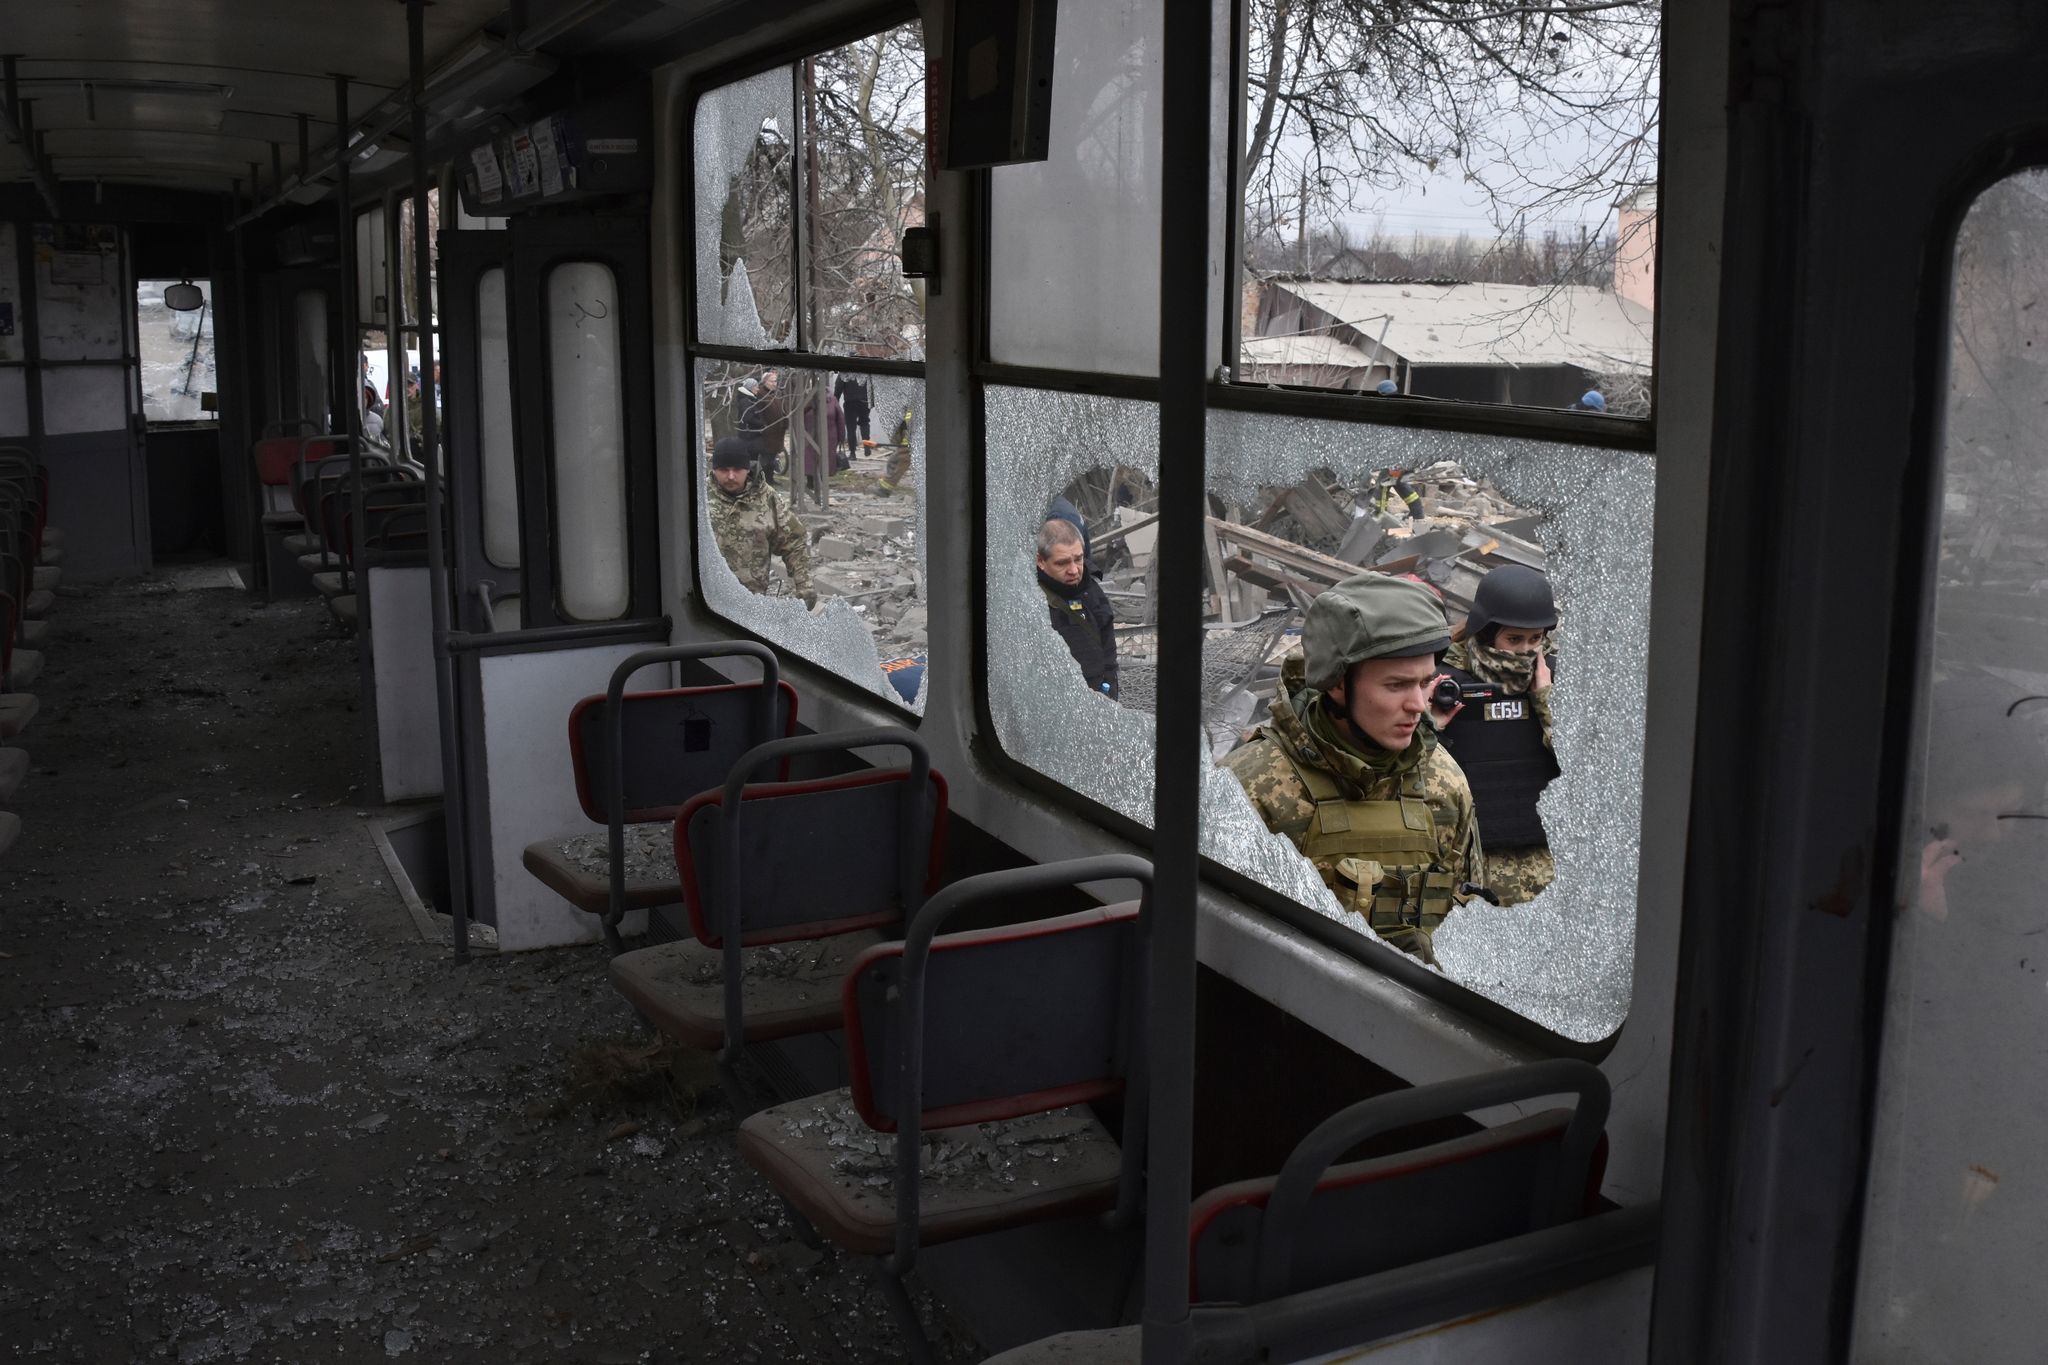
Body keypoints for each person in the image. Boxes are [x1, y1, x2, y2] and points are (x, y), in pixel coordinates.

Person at [1221, 572, 1484, 963]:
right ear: (1338, 684)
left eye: (1424, 682)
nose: (1418, 705)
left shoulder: (1443, 782)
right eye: (1396, 685)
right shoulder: (1250, 785)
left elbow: (1469, 925)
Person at [1430, 564, 1562, 905]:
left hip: (1546, 867)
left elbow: (1585, 771)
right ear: (1486, 633)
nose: (1527, 650)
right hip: (1466, 873)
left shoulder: (1557, 682)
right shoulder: (1441, 678)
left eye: (1536, 639)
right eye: (1514, 639)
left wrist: (1545, 701)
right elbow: (1404, 771)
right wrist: (1433, 723)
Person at [705, 435, 816, 607]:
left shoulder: (767, 499)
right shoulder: (699, 497)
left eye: (737, 469)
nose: (731, 476)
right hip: (706, 603)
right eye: (724, 470)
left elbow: (794, 542)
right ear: (714, 469)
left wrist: (804, 586)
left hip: (751, 605)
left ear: (748, 468)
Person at [1037, 517, 1118, 699]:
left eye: (1078, 559)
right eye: (1062, 563)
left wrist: (1110, 689)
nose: (1073, 570)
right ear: (1041, 561)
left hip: (1098, 697)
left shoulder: (1092, 591)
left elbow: (1109, 649)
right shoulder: (1031, 598)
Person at [739, 369, 789, 476]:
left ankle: (769, 478)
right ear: (765, 382)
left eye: (775, 381)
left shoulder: (776, 394)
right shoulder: (761, 395)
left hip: (777, 432)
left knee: (771, 457)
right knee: (766, 458)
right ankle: (765, 479)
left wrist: (785, 422)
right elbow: (754, 415)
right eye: (772, 381)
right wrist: (763, 425)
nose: (774, 384)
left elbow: (782, 409)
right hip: (766, 433)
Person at [834, 373, 872, 461]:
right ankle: (867, 445)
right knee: (864, 423)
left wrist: (835, 401)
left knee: (851, 428)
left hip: (850, 402)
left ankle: (852, 453)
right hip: (864, 401)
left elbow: (838, 387)